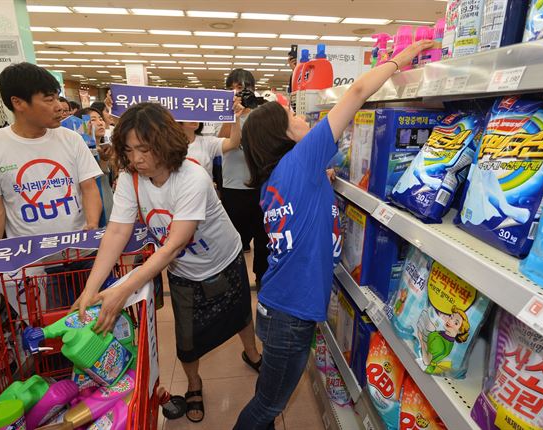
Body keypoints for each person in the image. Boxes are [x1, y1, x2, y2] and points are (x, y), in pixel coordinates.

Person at [233, 40, 433, 429]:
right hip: (291, 313)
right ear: (283, 137)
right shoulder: (302, 159)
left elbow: (304, 202)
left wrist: (323, 177)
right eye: (291, 117)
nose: (301, 118)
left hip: (275, 306)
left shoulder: (280, 177)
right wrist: (398, 60)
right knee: (267, 406)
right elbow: (357, 92)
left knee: (269, 399)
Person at [73, 102, 261, 423]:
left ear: (165, 144)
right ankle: (194, 382)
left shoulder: (192, 177)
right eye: (129, 150)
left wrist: (123, 289)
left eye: (144, 149)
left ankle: (252, 353)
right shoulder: (131, 180)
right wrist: (91, 289)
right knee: (186, 339)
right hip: (183, 271)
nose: (136, 159)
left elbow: (174, 244)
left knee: (240, 311)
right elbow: (117, 231)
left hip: (223, 257)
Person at [0, 62, 104, 308]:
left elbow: (89, 187)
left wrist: (92, 225)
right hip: (33, 264)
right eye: (49, 100)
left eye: (58, 98)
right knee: (50, 333)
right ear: (18, 103)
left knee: (94, 326)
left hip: (83, 254)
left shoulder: (71, 140)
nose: (59, 107)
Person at [219, 69, 269, 289]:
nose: (237, 92)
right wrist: (232, 116)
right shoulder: (223, 113)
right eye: (233, 88)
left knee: (263, 237)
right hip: (232, 186)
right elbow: (220, 141)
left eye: (241, 87)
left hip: (260, 185)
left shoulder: (262, 114)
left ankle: (262, 278)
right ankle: (234, 280)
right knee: (233, 238)